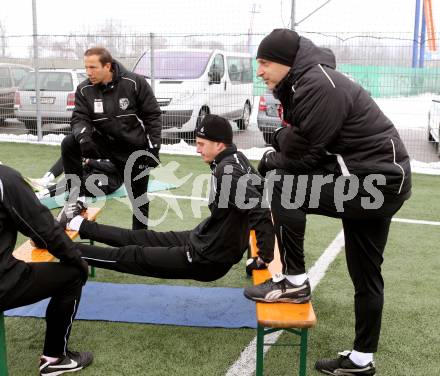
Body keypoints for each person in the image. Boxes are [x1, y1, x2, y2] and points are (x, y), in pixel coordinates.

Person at [243, 29, 411, 376]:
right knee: (366, 275)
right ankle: (362, 361)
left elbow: (304, 156)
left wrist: (274, 153)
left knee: (280, 185)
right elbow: (308, 148)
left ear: (287, 63)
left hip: (371, 183)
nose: (260, 71)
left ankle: (293, 282)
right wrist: (284, 143)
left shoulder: (317, 85)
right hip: (376, 180)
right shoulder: (307, 82)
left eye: (265, 63)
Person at [59, 115, 274, 284]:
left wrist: (264, 256)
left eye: (201, 144)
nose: (197, 149)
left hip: (207, 258)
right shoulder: (236, 158)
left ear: (219, 144)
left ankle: (60, 247)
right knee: (141, 238)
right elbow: (258, 193)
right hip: (206, 238)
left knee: (134, 256)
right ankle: (77, 223)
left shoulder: (228, 172)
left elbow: (260, 211)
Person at [0, 163, 93, 375]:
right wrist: (78, 261)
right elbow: (44, 232)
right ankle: (55, 358)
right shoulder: (5, 179)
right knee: (73, 276)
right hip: (3, 282)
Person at [60, 47, 162, 230]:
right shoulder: (84, 89)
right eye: (86, 67)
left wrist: (153, 148)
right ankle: (78, 200)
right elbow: (79, 117)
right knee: (69, 143)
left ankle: (138, 243)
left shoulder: (134, 83)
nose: (88, 72)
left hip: (133, 149)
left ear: (107, 66)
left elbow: (152, 116)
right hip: (104, 144)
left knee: (139, 199)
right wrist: (84, 136)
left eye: (93, 67)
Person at [27, 156, 123, 199]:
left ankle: (40, 196)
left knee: (75, 181)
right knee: (69, 153)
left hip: (107, 182)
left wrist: (88, 161)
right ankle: (45, 180)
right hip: (92, 171)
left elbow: (112, 167)